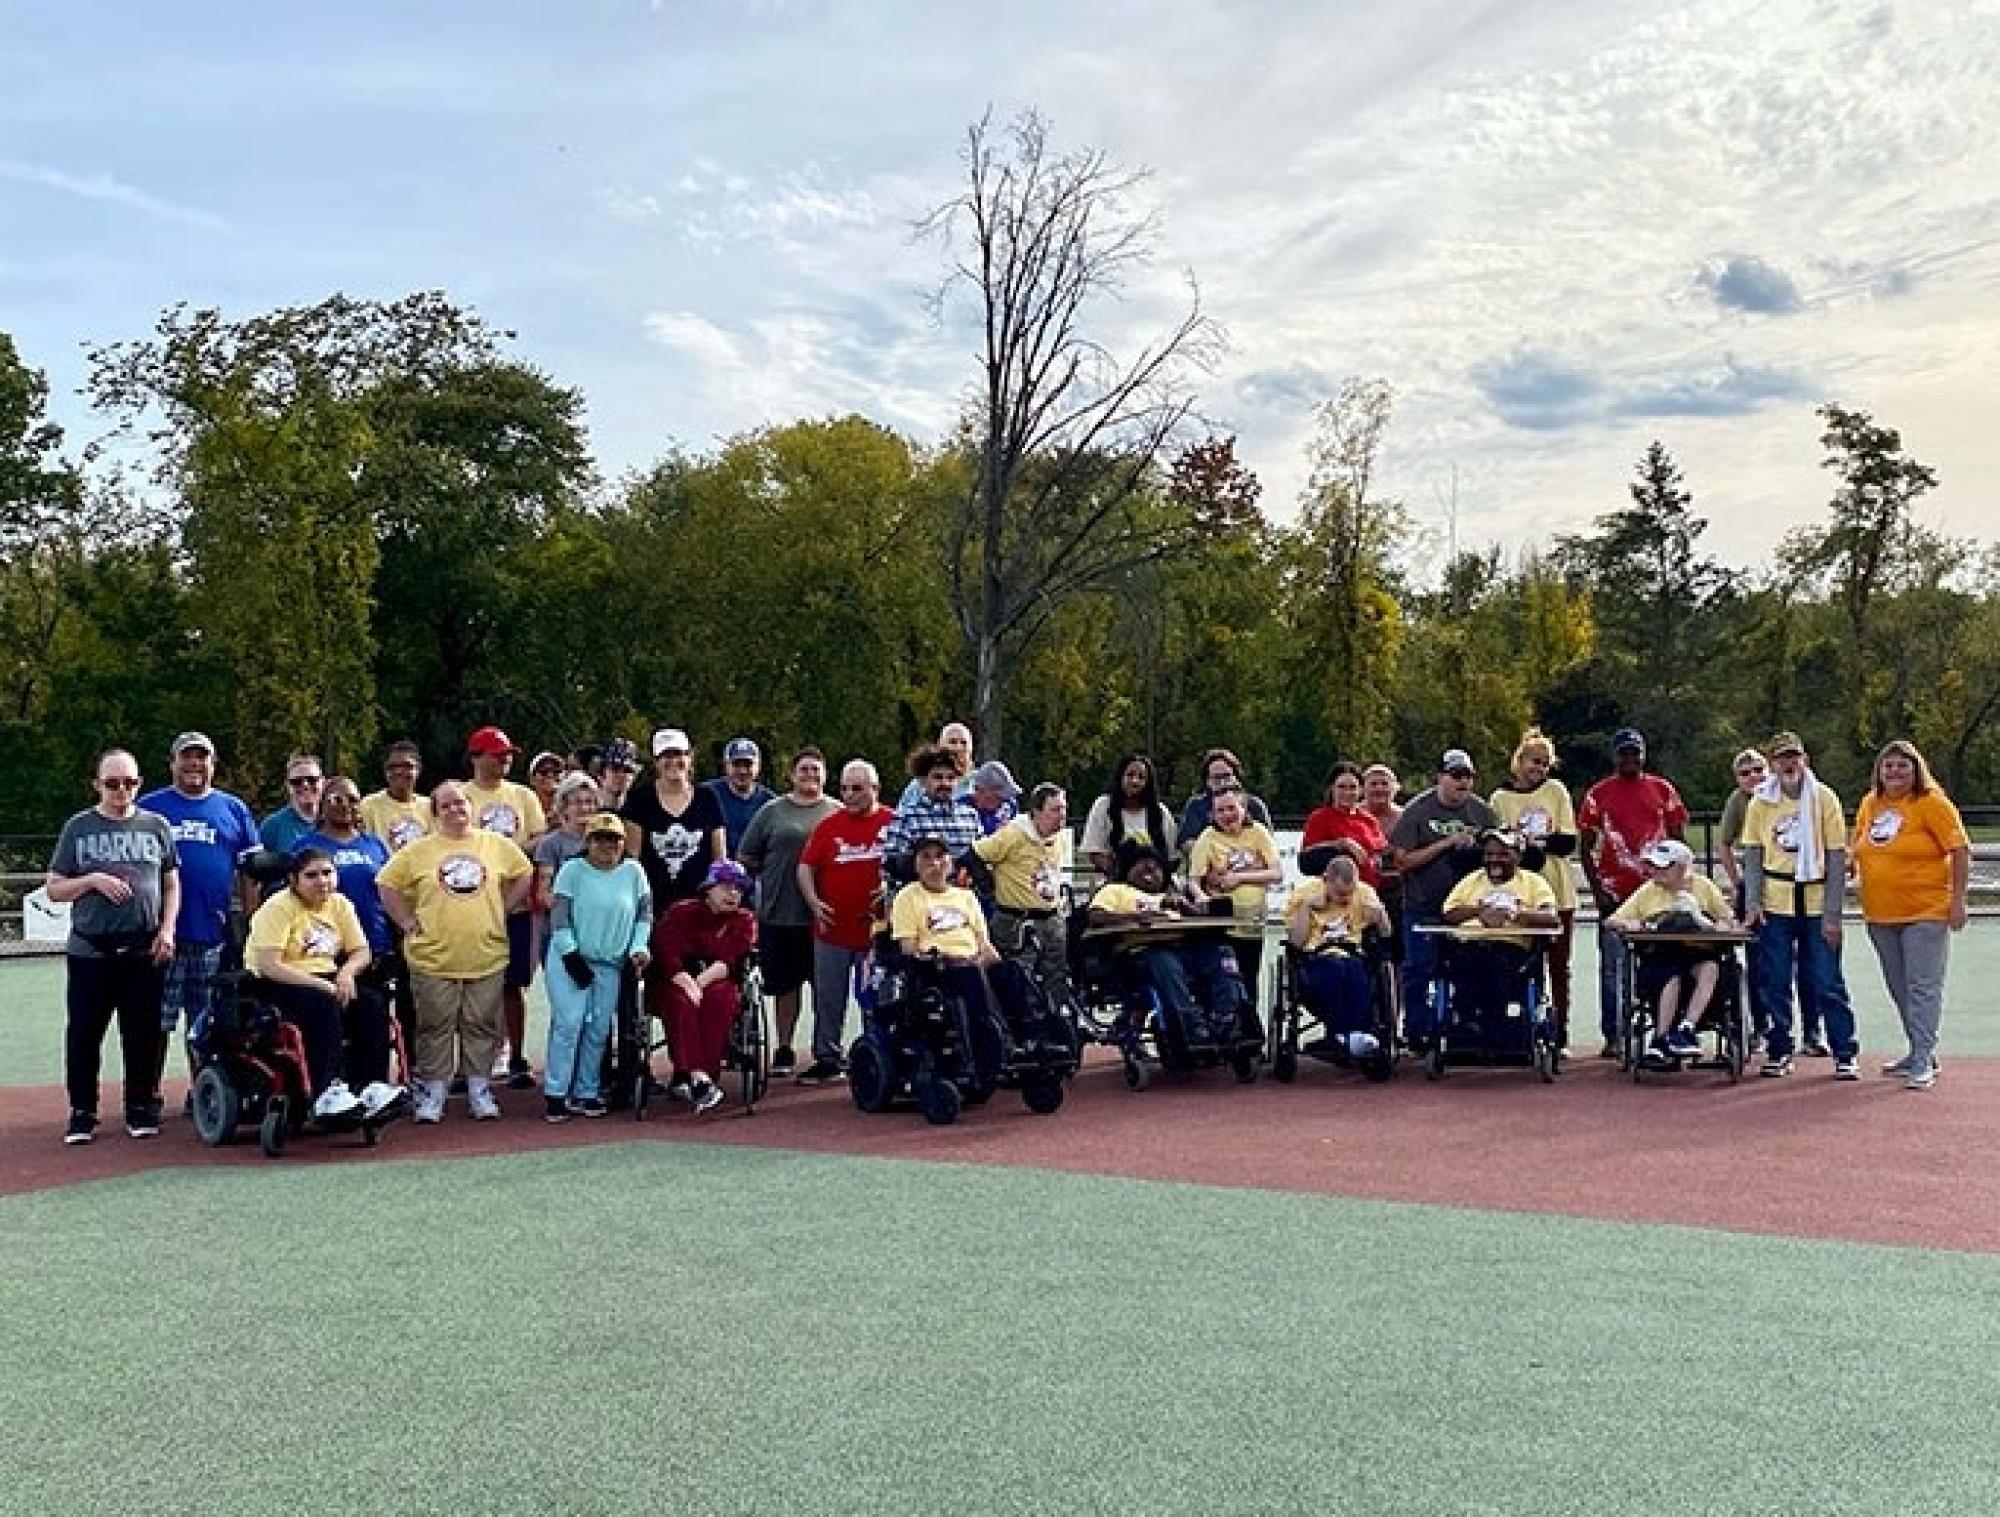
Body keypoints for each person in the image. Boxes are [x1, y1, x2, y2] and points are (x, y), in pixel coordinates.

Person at [376, 780, 533, 1122]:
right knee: (435, 1024)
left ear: (471, 807)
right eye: (445, 805)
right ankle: (434, 1090)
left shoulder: (494, 844)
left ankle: (479, 1086)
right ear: (434, 813)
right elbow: (386, 884)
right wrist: (405, 920)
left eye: (460, 803)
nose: (454, 810)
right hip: (433, 956)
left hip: (485, 952)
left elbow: (524, 873)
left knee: (481, 1023)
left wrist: (503, 908)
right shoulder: (418, 851)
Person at [47, 749, 179, 1145]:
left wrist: (167, 928)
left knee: (142, 1033)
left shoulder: (156, 826)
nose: (121, 790)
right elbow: (54, 887)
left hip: (143, 948)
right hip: (92, 951)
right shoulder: (79, 828)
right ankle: (83, 1111)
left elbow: (172, 882)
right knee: (85, 1033)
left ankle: (139, 1106)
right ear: (97, 785)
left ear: (139, 783)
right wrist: (91, 881)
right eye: (112, 783)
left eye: (129, 783)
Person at [244, 848, 405, 1124]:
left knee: (371, 1003)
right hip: (280, 981)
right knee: (324, 1005)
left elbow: (361, 951)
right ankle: (326, 1090)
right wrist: (322, 986)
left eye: (328, 873)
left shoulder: (340, 904)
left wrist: (346, 974)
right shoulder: (278, 907)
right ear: (294, 880)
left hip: (327, 976)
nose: (322, 881)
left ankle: (370, 1085)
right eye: (312, 876)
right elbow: (269, 964)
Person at [139, 731, 259, 1092]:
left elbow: (250, 871)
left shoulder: (232, 808)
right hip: (162, 935)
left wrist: (251, 921)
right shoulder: (150, 807)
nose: (194, 764)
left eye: (201, 757)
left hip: (211, 934)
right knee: (155, 1021)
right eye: (186, 757)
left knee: (205, 1022)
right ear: (172, 763)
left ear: (212, 763)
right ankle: (147, 1094)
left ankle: (204, 1092)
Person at [1739, 731, 1860, 1079]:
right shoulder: (1761, 802)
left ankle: (1843, 1050)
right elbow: (1753, 854)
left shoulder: (1823, 799)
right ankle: (1779, 1047)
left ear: (1804, 759)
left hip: (1817, 899)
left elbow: (1837, 857)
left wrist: (1834, 915)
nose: (1788, 764)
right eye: (1781, 759)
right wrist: (1752, 903)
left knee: (1827, 979)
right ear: (1773, 765)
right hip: (1777, 901)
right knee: (1775, 979)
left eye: (1794, 757)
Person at [1851, 739, 1969, 1091]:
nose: (1895, 772)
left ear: (1916, 768)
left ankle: (1922, 1059)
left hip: (1925, 911)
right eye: (1889, 766)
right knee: (1899, 986)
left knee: (1922, 988)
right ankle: (1920, 1048)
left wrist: (1958, 902)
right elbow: (1860, 844)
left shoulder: (1930, 803)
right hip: (1880, 913)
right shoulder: (1871, 804)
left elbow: (1960, 849)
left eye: (1903, 765)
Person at [1577, 728, 1688, 1059]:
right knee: (1613, 966)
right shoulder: (1599, 794)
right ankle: (1614, 1034)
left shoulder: (1662, 790)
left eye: (1635, 753)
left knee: (1663, 959)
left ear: (1643, 755)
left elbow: (1678, 840)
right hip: (1615, 893)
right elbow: (1585, 847)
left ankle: (1664, 1027)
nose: (1630, 759)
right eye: (1624, 754)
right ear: (1615, 757)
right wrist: (1598, 892)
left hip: (1657, 891)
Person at [737, 749, 839, 1082]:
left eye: (815, 769)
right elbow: (747, 855)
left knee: (825, 987)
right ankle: (784, 1046)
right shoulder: (772, 812)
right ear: (792, 774)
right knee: (785, 986)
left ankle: (826, 1049)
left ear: (825, 775)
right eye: (803, 769)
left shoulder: (836, 811)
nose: (809, 775)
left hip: (823, 915)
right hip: (780, 913)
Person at [544, 812, 652, 1121]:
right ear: (587, 842)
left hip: (611, 962)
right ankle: (556, 1092)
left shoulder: (634, 872)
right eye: (599, 839)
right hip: (570, 958)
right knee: (569, 1023)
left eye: (614, 839)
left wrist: (638, 948)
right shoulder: (572, 870)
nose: (607, 845)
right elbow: (560, 916)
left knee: (599, 1029)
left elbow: (643, 917)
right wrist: (570, 955)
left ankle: (586, 1091)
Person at [1389, 749, 1498, 1044]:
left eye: (1468, 776)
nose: (1463, 782)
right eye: (1456, 775)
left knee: (1467, 967)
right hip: (1423, 905)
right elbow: (1402, 861)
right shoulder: (1417, 811)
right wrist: (1446, 844)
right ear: (1440, 778)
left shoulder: (1484, 813)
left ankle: (1463, 1027)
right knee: (1418, 970)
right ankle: (1416, 1032)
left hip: (1467, 908)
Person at [1087, 844, 1244, 1047]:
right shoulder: (1115, 891)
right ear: (1129, 870)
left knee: (1220, 952)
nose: (1149, 871)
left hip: (1182, 949)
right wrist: (1137, 917)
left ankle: (1226, 1017)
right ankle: (1192, 1024)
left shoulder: (1170, 896)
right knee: (1163, 959)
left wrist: (1189, 910)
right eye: (1142, 866)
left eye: (1155, 868)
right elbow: (1095, 915)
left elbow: (1200, 923)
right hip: (1142, 953)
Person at [798, 760, 893, 1084]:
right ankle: (827, 1056)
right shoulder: (828, 826)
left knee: (874, 996)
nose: (850, 796)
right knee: (828, 997)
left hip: (876, 933)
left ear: (874, 790)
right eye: (845, 789)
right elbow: (805, 867)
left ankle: (875, 1053)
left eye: (858, 789)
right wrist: (813, 901)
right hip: (832, 930)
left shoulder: (892, 823)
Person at [464, 724, 548, 1090]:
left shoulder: (523, 796)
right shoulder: (463, 795)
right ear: (477, 757)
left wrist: (502, 855)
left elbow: (538, 839)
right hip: (471, 903)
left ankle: (516, 1054)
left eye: (509, 755)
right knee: (469, 984)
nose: (505, 762)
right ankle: (468, 1060)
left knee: (512, 983)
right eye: (498, 756)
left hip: (514, 903)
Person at [1606, 839, 1738, 1068]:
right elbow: (1612, 920)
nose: (1655, 871)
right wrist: (1630, 924)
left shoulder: (1703, 887)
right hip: (1661, 956)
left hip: (1698, 954)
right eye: (1653, 866)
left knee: (1711, 968)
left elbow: (1728, 920)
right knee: (1671, 974)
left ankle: (1686, 1029)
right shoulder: (1648, 891)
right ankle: (1660, 1039)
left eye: (1662, 866)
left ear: (1681, 867)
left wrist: (1721, 926)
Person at [1488, 729, 1581, 1050]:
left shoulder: (1556, 791)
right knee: (1521, 961)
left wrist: (1532, 843)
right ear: (1519, 762)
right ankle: (1519, 1026)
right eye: (1533, 762)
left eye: (1544, 763)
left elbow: (1567, 840)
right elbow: (1497, 843)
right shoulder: (1501, 798)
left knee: (1558, 964)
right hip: (1517, 890)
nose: (1538, 769)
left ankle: (1560, 1029)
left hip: (1556, 889)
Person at [650, 858, 759, 1113]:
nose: (733, 894)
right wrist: (686, 981)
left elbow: (730, 960)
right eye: (726, 887)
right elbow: (666, 952)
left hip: (718, 979)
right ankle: (697, 1076)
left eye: (739, 889)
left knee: (719, 1000)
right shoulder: (680, 912)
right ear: (708, 888)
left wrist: (698, 983)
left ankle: (700, 1076)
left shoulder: (745, 920)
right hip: (674, 979)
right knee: (679, 1001)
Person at [1438, 829, 1560, 1030]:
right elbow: (1449, 913)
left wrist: (1514, 915)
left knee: (1498, 968)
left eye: (1503, 854)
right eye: (1489, 854)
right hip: (1470, 945)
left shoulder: (1533, 882)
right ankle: (1467, 1023)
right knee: (1463, 965)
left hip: (1511, 949)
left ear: (1518, 856)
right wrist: (1479, 912)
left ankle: (1494, 1025)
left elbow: (1551, 918)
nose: (1494, 860)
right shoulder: (1471, 881)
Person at [1284, 853, 1391, 1060]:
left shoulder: (1365, 893)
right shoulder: (1304, 894)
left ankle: (1359, 1033)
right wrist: (1306, 909)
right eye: (1340, 894)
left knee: (1357, 971)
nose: (1345, 899)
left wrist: (1381, 917)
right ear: (1326, 881)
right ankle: (1340, 1034)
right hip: (1315, 957)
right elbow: (1296, 942)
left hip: (1353, 954)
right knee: (1335, 970)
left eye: (1349, 894)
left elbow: (1386, 933)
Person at [1186, 785, 1284, 1008]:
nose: (1226, 815)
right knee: (1224, 980)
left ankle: (1250, 1034)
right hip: (1223, 924)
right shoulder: (1207, 837)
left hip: (1252, 924)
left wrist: (1240, 878)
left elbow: (1276, 873)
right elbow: (1194, 879)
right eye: (1220, 811)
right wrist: (1202, 897)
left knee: (1249, 982)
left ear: (1243, 808)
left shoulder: (1258, 832)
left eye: (1231, 808)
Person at [973, 782, 1071, 1000]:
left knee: (1055, 976)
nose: (1062, 815)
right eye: (1055, 810)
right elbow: (976, 854)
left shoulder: (1058, 838)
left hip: (1050, 917)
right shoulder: (1013, 834)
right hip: (1015, 920)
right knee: (1017, 978)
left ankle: (1056, 1022)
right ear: (1037, 812)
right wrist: (988, 888)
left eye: (1064, 809)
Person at [622, 727, 727, 913]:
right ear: (656, 762)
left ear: (690, 757)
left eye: (679, 754)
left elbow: (719, 858)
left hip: (700, 905)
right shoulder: (640, 799)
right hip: (653, 904)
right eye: (666, 756)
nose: (673, 762)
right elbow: (632, 859)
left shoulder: (707, 797)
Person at [302, 778, 395, 963]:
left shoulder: (375, 845)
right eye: (337, 799)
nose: (345, 805)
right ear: (322, 803)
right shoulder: (306, 846)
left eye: (352, 800)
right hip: (326, 948)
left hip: (376, 943)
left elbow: (390, 891)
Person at [881, 744, 985, 867]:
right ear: (923, 780)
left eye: (950, 778)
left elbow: (982, 857)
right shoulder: (907, 817)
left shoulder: (970, 816)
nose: (944, 783)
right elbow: (890, 864)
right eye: (938, 777)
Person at [1080, 753, 1177, 879]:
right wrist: (1123, 872)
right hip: (1115, 881)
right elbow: (1094, 852)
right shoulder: (1103, 806)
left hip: (1154, 881)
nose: (1135, 781)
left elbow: (1171, 856)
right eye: (1130, 775)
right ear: (1120, 777)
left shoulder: (1160, 812)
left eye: (1141, 777)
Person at [1301, 763, 1389, 886]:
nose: (1347, 792)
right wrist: (1342, 844)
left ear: (1360, 790)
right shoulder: (1320, 817)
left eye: (1352, 787)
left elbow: (1382, 852)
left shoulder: (1369, 820)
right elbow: (1306, 859)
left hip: (1371, 890)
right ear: (1332, 788)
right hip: (1335, 891)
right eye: (1342, 787)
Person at [1178, 748, 1273, 855]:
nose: (1222, 782)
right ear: (1207, 781)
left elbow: (1268, 841)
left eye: (1227, 776)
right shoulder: (1196, 806)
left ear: (1236, 776)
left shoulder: (1255, 805)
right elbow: (1185, 843)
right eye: (1216, 778)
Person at [704, 737, 777, 858]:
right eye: (736, 765)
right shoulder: (707, 794)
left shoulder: (770, 802)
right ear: (726, 766)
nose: (742, 771)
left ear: (758, 767)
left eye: (748, 765)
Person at [359, 740, 431, 853]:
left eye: (407, 766)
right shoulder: (368, 805)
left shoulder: (430, 807)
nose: (398, 771)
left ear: (418, 769)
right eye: (392, 767)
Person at [896, 721, 976, 808]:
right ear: (940, 746)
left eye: (964, 743)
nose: (958, 747)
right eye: (952, 742)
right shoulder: (918, 785)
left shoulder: (980, 781)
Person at [259, 752, 325, 856]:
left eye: (312, 780)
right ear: (288, 786)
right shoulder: (273, 826)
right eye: (297, 782)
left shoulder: (332, 821)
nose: (305, 785)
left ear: (323, 782)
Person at [967, 760, 1022, 837]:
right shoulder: (964, 810)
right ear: (980, 790)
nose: (1002, 801)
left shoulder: (1010, 805)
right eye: (998, 796)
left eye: (1003, 797)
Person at [597, 737, 641, 815]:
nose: (621, 775)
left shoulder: (640, 813)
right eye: (615, 769)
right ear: (601, 773)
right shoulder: (587, 810)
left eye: (627, 770)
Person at [527, 750, 566, 821]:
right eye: (543, 771)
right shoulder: (524, 808)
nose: (550, 775)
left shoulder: (572, 810)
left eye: (556, 771)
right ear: (532, 780)